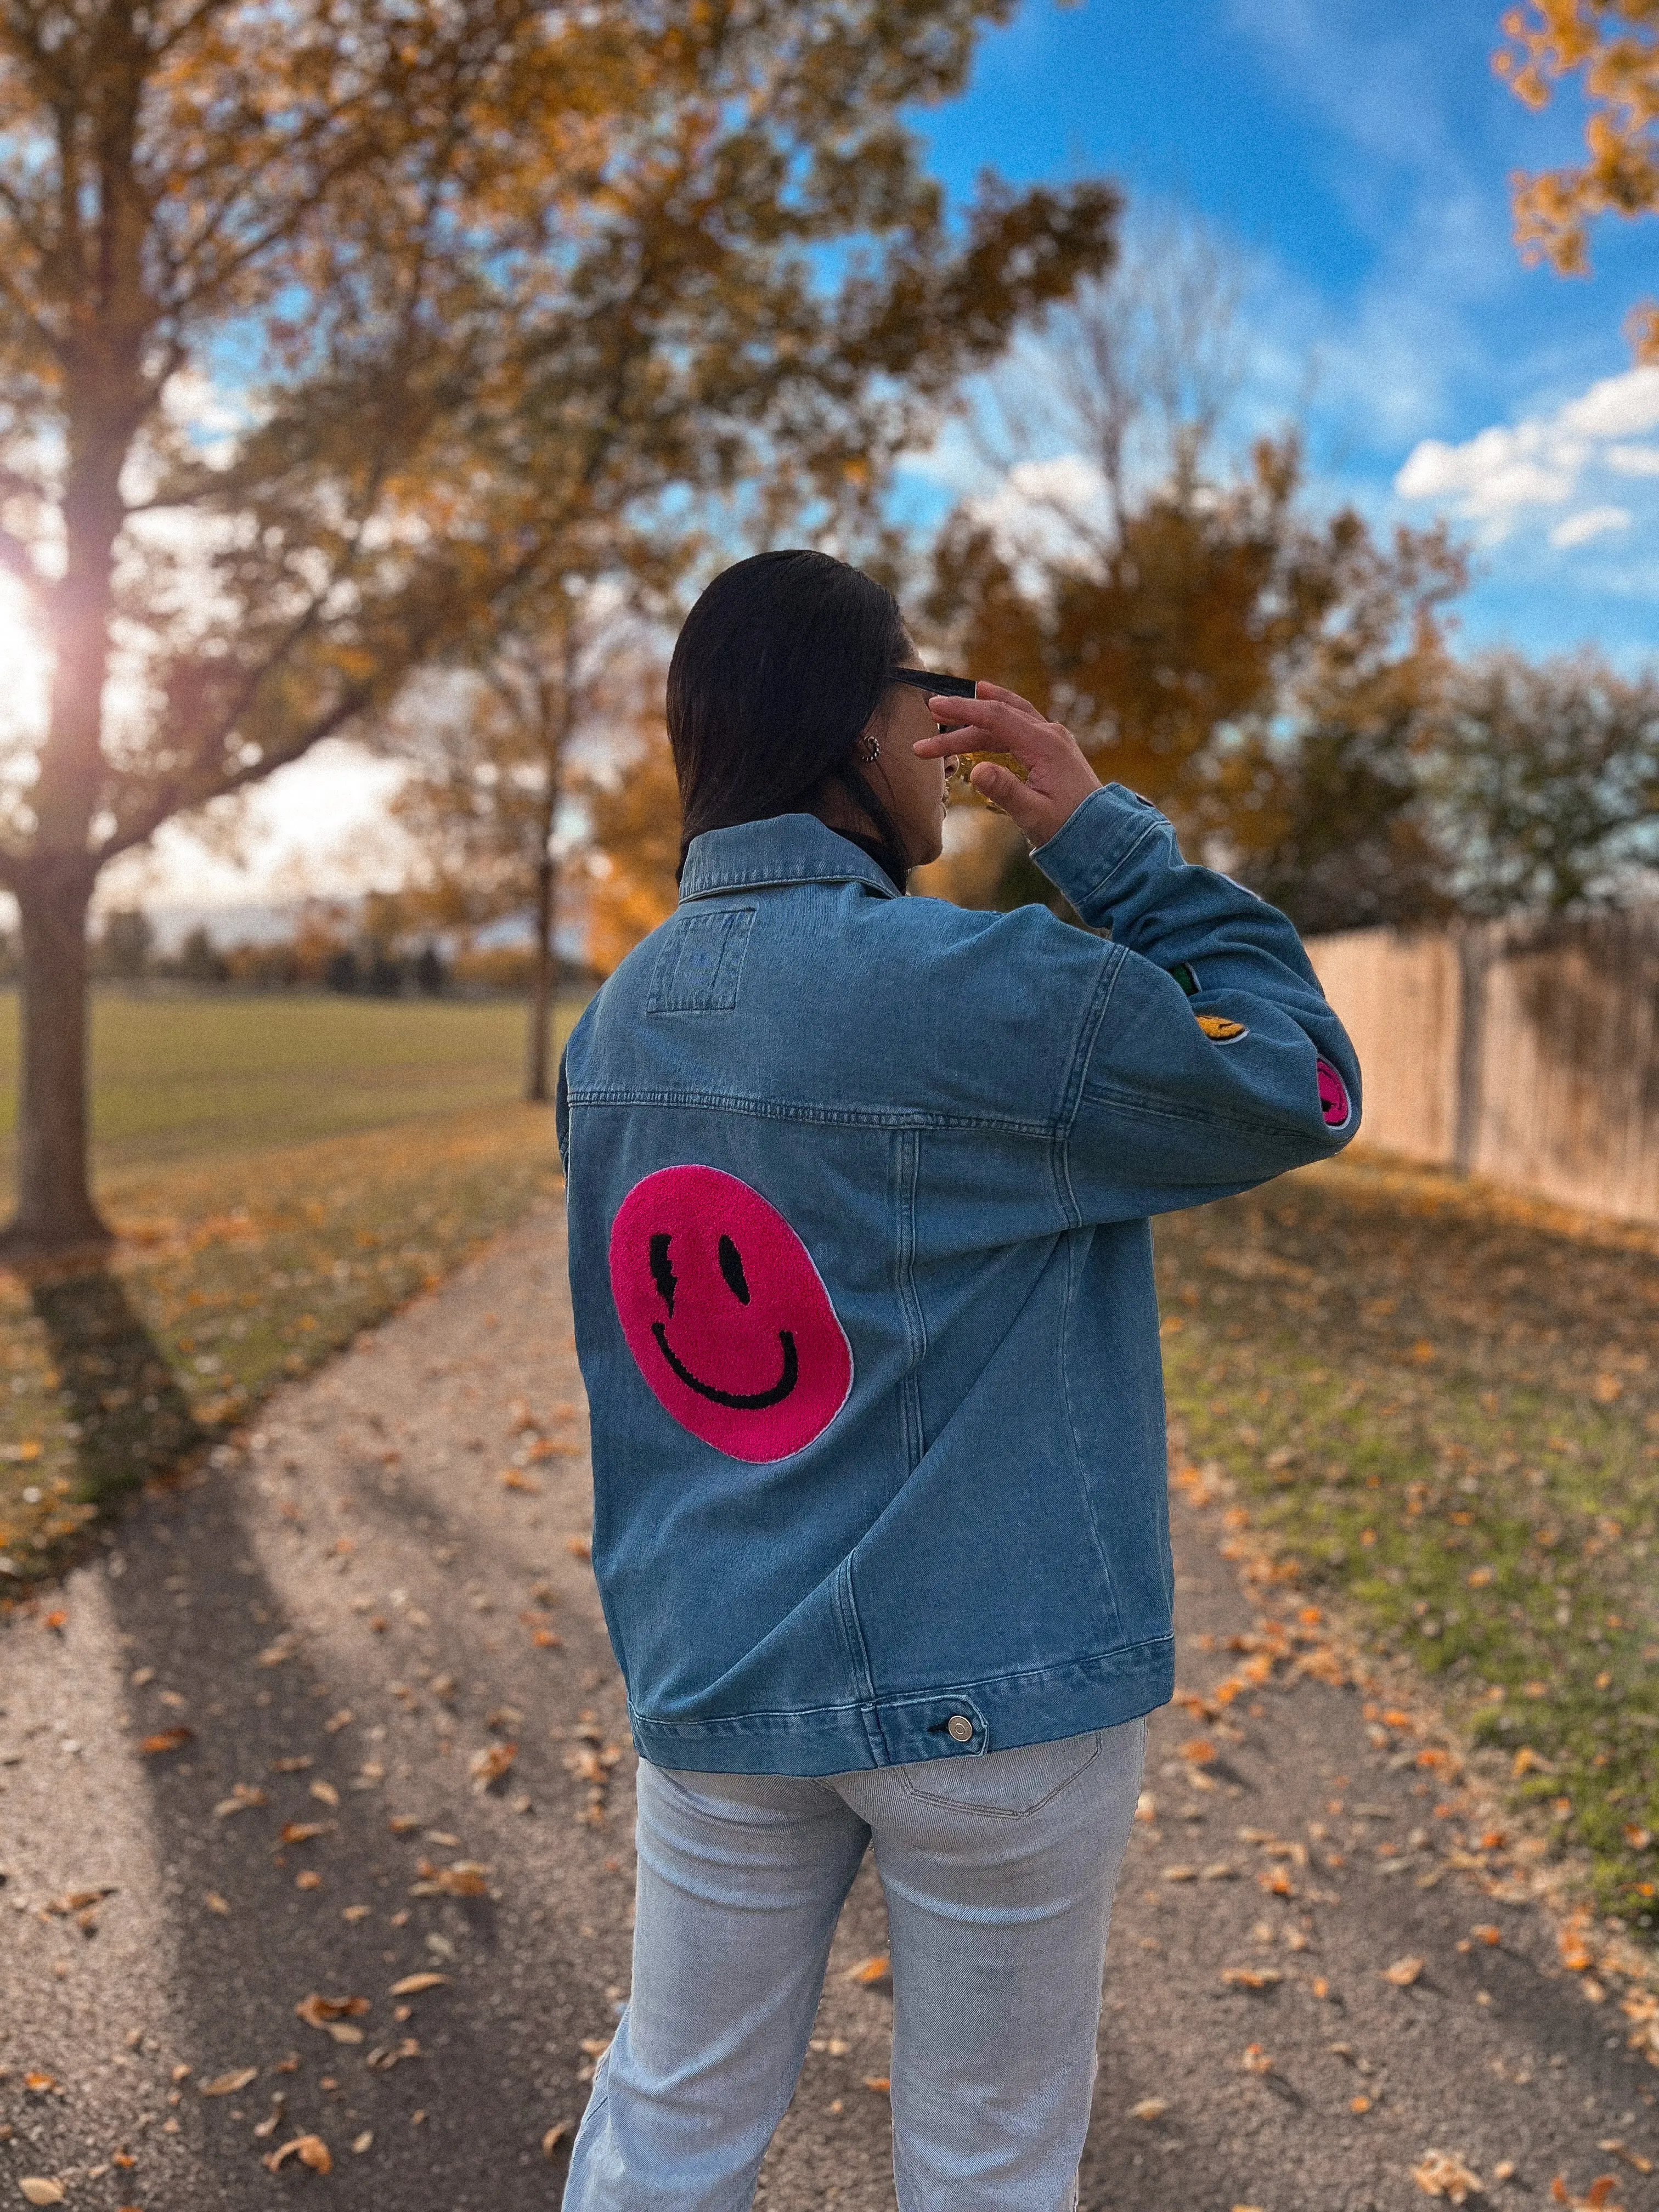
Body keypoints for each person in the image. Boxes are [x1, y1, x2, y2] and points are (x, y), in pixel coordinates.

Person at [554, 549, 1360, 2211]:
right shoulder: (996, 996)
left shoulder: (612, 1031)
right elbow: (1305, 1081)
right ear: (854, 735)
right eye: (914, 705)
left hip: (719, 1680)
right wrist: (1099, 835)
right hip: (993, 1696)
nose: (937, 748)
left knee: (666, 2131)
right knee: (988, 2169)